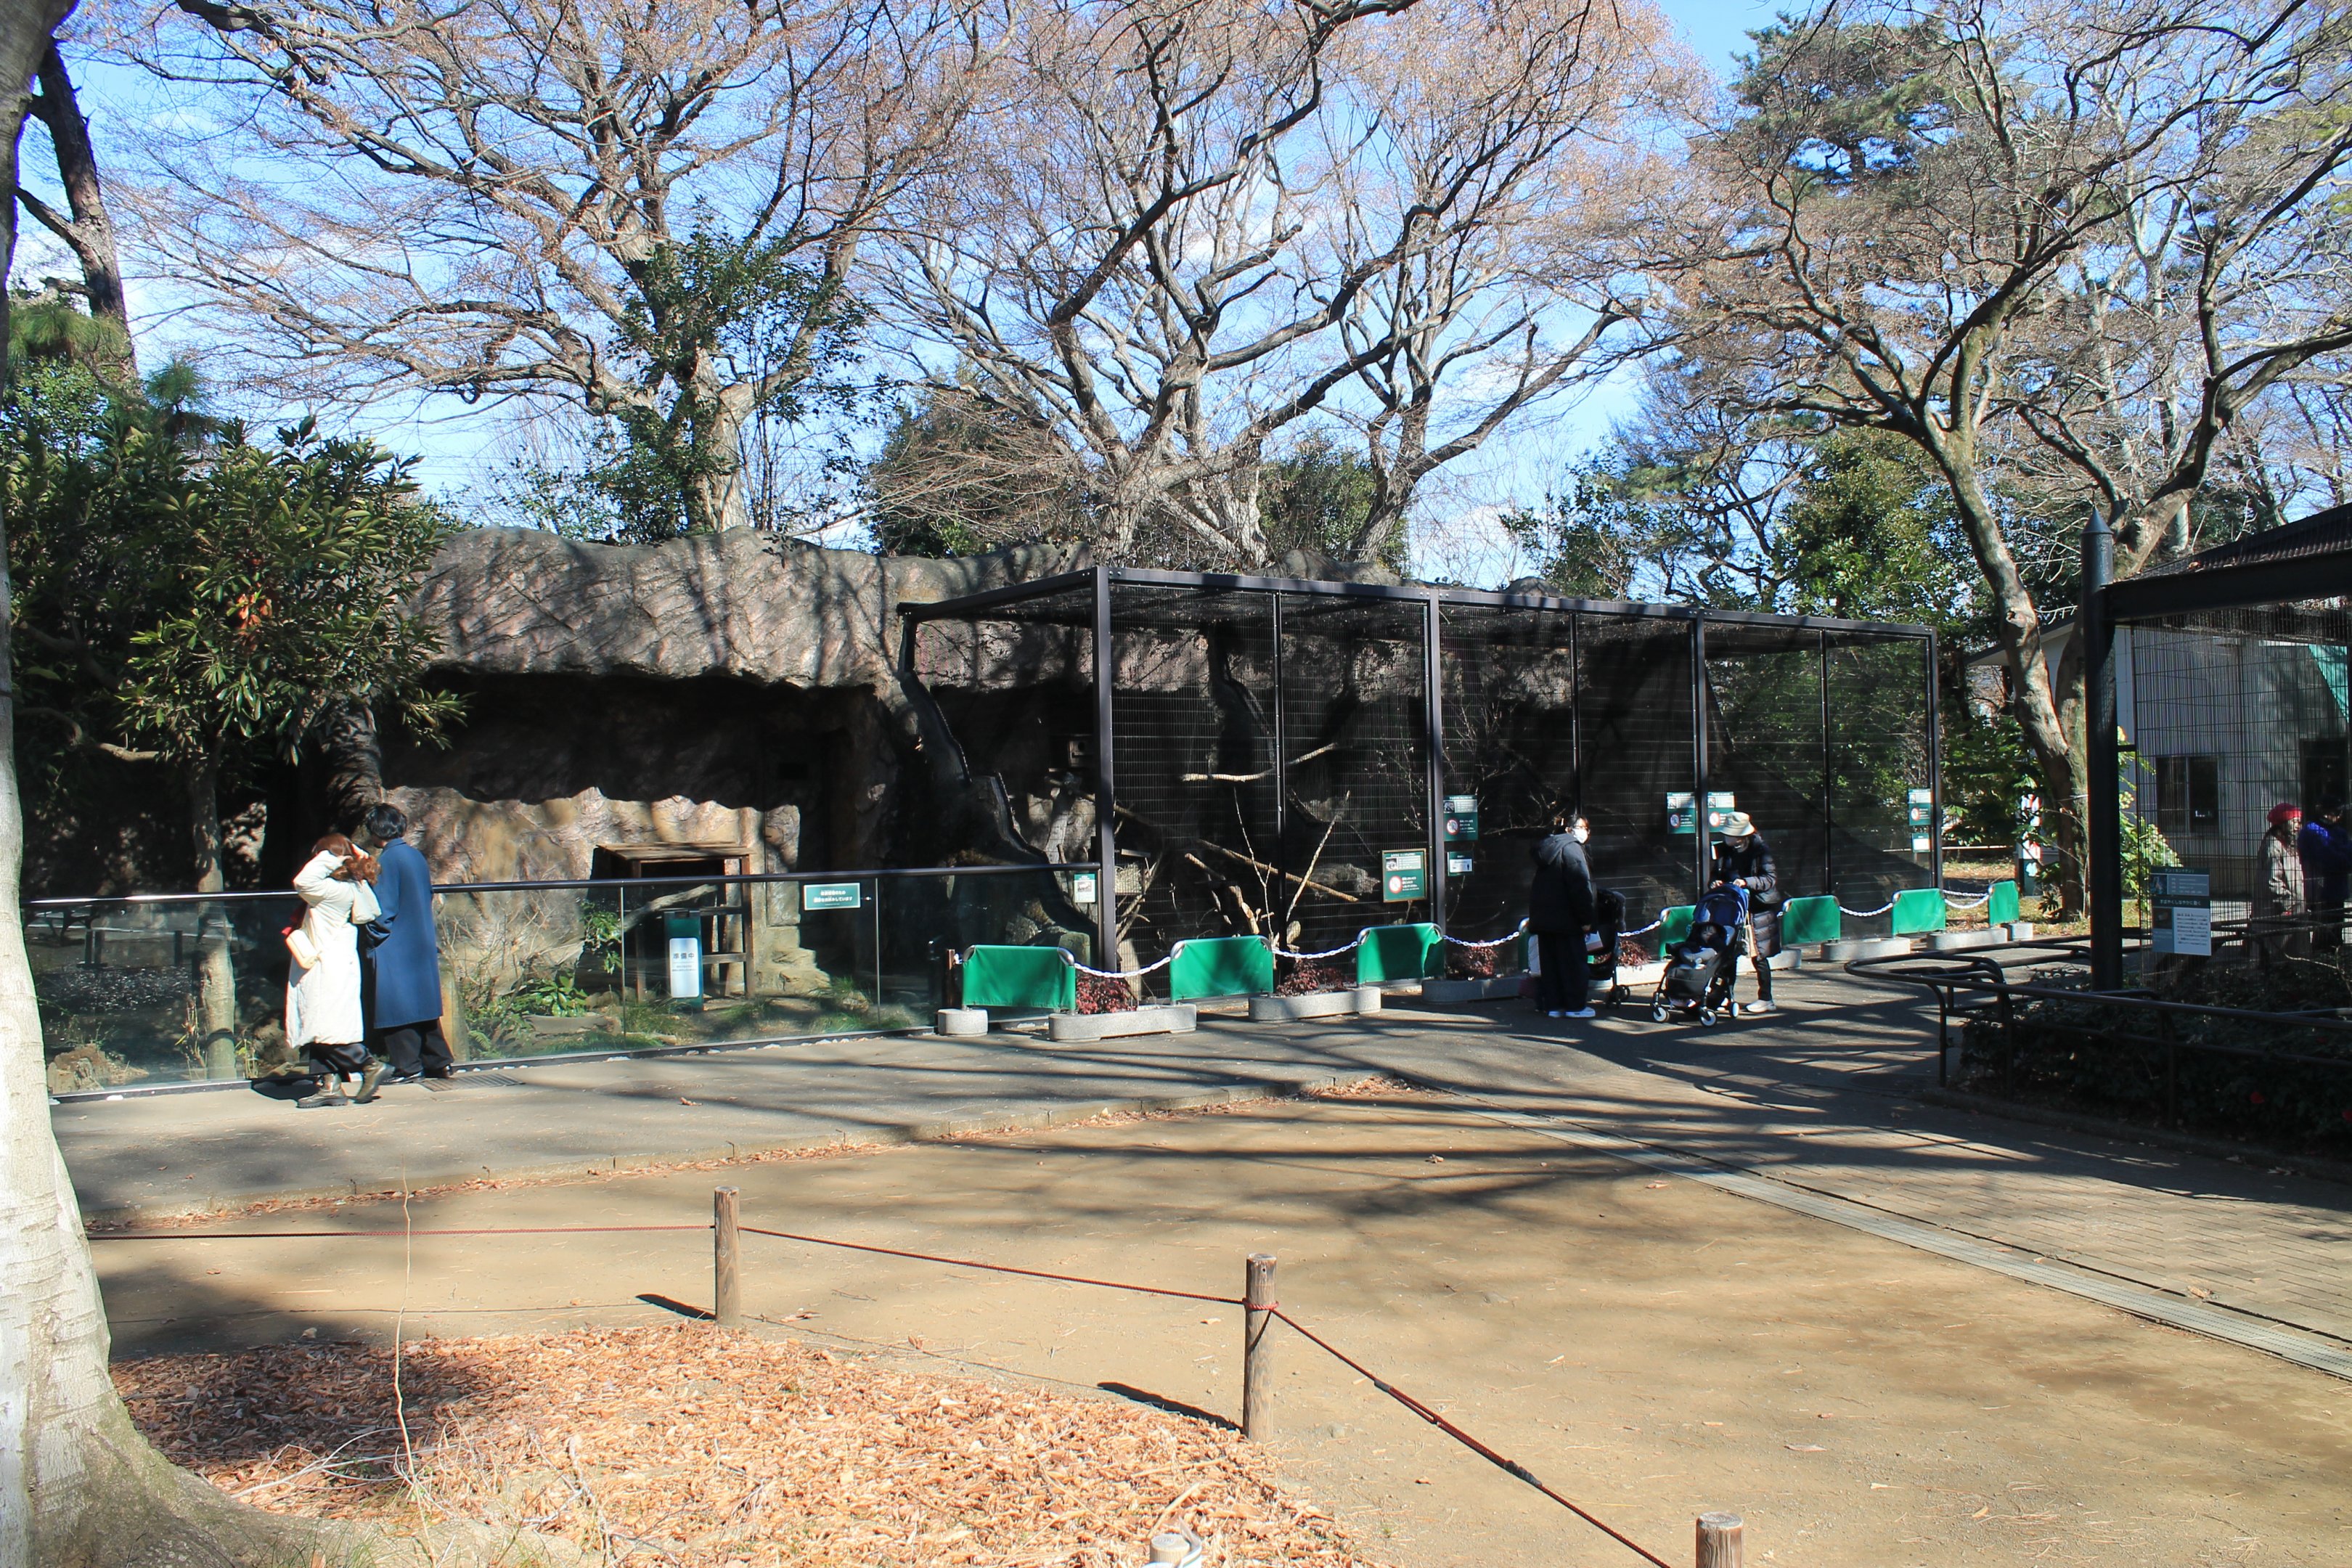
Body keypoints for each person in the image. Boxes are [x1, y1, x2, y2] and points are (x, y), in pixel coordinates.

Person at [356, 802, 453, 1083]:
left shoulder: (387, 861)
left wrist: (372, 937)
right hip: (419, 939)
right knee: (423, 1005)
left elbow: (383, 911)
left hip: (394, 943)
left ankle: (407, 1066)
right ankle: (439, 1061)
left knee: (395, 1007)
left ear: (375, 831)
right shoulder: (414, 856)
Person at [287, 833, 385, 1108]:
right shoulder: (351, 886)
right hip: (336, 963)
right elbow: (370, 911)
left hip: (328, 968)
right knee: (318, 1028)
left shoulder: (331, 890)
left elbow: (302, 882)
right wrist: (355, 862)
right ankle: (330, 1087)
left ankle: (369, 1065)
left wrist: (332, 856)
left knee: (329, 1030)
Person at [1709, 811, 1781, 1016]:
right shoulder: (1724, 851)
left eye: (1729, 835)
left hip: (1757, 909)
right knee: (1728, 953)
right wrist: (1715, 883)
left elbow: (1770, 879)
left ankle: (1766, 998)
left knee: (1758, 955)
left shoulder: (1760, 851)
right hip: (1733, 907)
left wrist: (1747, 882)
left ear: (1741, 836)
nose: (1726, 838)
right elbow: (1716, 874)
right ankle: (1725, 995)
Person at [1527, 812, 1597, 1020]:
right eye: (1583, 828)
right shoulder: (1572, 849)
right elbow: (1580, 886)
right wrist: (1586, 919)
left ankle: (1554, 1005)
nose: (1585, 833)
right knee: (1573, 964)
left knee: (1551, 965)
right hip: (1568, 920)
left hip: (1544, 920)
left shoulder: (1547, 848)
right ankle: (1575, 1005)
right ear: (1571, 830)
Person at [2298, 799, 2351, 952]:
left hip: (2337, 889)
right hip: (2320, 890)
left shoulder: (2338, 832)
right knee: (2324, 929)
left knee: (2336, 928)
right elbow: (2331, 859)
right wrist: (2344, 853)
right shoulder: (2312, 831)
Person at [2254, 801, 2306, 958]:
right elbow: (2273, 881)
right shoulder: (2274, 846)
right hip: (2280, 911)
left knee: (2292, 954)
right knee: (2277, 953)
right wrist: (2288, 904)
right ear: (2283, 824)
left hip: (2293, 911)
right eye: (2295, 822)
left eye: (2299, 822)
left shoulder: (2288, 844)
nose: (2299, 826)